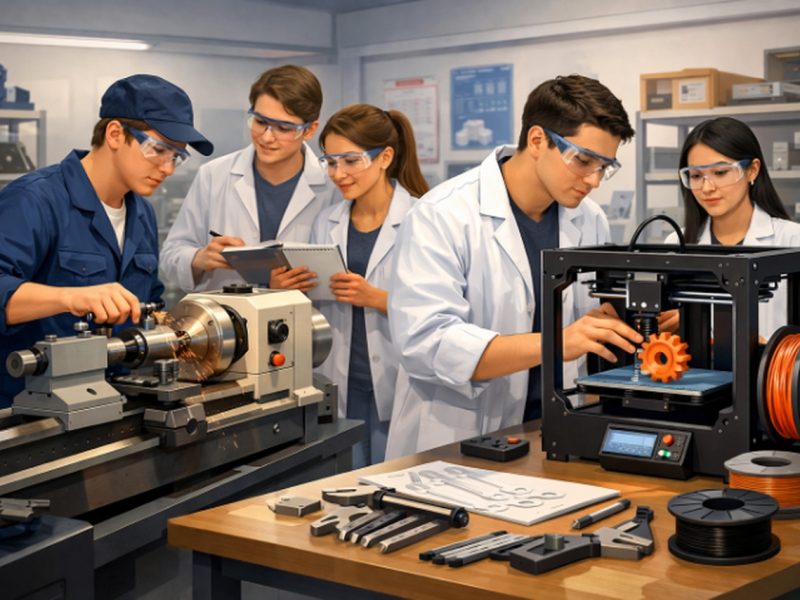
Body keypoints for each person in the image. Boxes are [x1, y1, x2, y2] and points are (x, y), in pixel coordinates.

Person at [385, 74, 644, 458]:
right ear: (537, 140)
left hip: (556, 431)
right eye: (584, 160)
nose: (594, 180)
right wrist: (557, 343)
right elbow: (426, 343)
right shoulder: (442, 214)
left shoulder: (589, 219)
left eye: (605, 166)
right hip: (458, 435)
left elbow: (584, 324)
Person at [0, 74, 213, 406]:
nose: (168, 168)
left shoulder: (141, 213)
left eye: (177, 156)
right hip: (29, 415)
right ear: (115, 134)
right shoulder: (35, 200)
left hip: (112, 405)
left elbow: (149, 305)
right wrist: (72, 298)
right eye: (158, 149)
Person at [308, 104, 428, 467]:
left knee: (397, 482)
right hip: (343, 379)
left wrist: (377, 299)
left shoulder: (422, 218)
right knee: (346, 485)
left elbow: (447, 308)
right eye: (330, 162)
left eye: (350, 161)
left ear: (385, 157)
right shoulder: (325, 222)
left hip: (400, 378)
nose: (338, 173)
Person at [160, 65, 338, 292]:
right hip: (227, 322)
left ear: (310, 130)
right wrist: (199, 257)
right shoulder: (214, 175)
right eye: (260, 122)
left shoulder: (332, 186)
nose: (267, 137)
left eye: (283, 128)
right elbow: (171, 254)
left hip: (305, 322)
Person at [663, 116, 800, 338]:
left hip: (773, 372)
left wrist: (768, 349)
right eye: (696, 176)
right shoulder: (675, 244)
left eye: (720, 173)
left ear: (752, 171)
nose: (707, 187)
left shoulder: (793, 241)